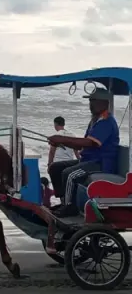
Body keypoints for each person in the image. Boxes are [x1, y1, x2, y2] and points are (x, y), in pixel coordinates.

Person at [47, 88, 119, 217]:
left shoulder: (107, 121)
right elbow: (82, 144)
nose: (90, 104)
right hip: (88, 160)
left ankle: (70, 207)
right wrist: (61, 142)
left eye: (93, 101)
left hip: (100, 163)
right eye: (90, 101)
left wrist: (61, 139)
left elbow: (89, 143)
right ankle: (64, 201)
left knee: (69, 174)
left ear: (104, 103)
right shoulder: (95, 120)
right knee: (55, 168)